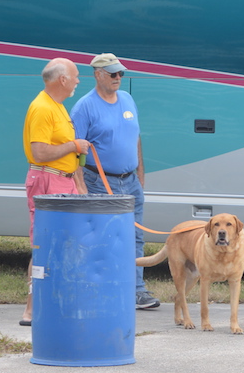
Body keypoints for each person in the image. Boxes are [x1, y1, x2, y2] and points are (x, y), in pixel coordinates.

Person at [71, 53, 160, 310]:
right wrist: (81, 186)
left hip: (130, 181)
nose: (118, 78)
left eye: (120, 73)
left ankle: (136, 290)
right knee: (103, 237)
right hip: (99, 182)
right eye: (113, 74)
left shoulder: (128, 99)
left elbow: (136, 138)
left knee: (135, 237)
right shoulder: (84, 107)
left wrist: (140, 174)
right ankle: (101, 289)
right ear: (98, 75)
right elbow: (76, 150)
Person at [19, 57, 90, 326]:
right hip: (47, 181)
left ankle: (58, 303)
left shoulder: (58, 106)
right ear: (62, 79)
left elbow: (70, 152)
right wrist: (73, 146)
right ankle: (30, 310)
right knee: (44, 245)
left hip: (65, 180)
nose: (78, 81)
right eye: (75, 76)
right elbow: (40, 152)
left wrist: (79, 185)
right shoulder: (42, 108)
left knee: (68, 244)